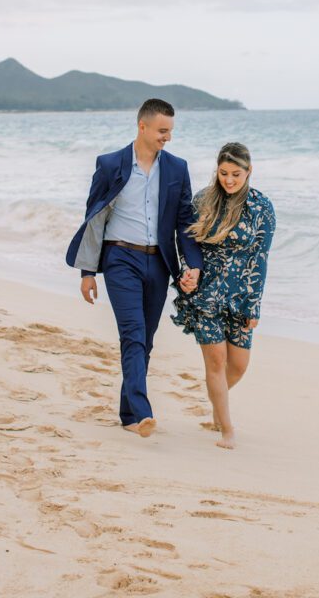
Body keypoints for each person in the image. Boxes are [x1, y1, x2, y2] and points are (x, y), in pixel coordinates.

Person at [65, 99, 202, 438]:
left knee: (146, 340)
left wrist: (193, 265)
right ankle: (142, 411)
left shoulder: (176, 168)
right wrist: (87, 272)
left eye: (170, 131)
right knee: (133, 333)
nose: (167, 137)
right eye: (162, 130)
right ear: (142, 127)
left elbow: (185, 222)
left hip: (159, 261)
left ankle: (128, 414)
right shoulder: (110, 164)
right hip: (119, 258)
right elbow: (93, 217)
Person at [172, 142, 275, 449]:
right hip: (206, 295)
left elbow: (261, 259)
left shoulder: (261, 207)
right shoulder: (204, 200)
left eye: (235, 174)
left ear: (249, 172)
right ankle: (226, 428)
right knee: (216, 363)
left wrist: (253, 306)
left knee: (239, 365)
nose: (229, 180)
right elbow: (188, 244)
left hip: (240, 296)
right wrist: (188, 273)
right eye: (223, 173)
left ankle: (218, 403)